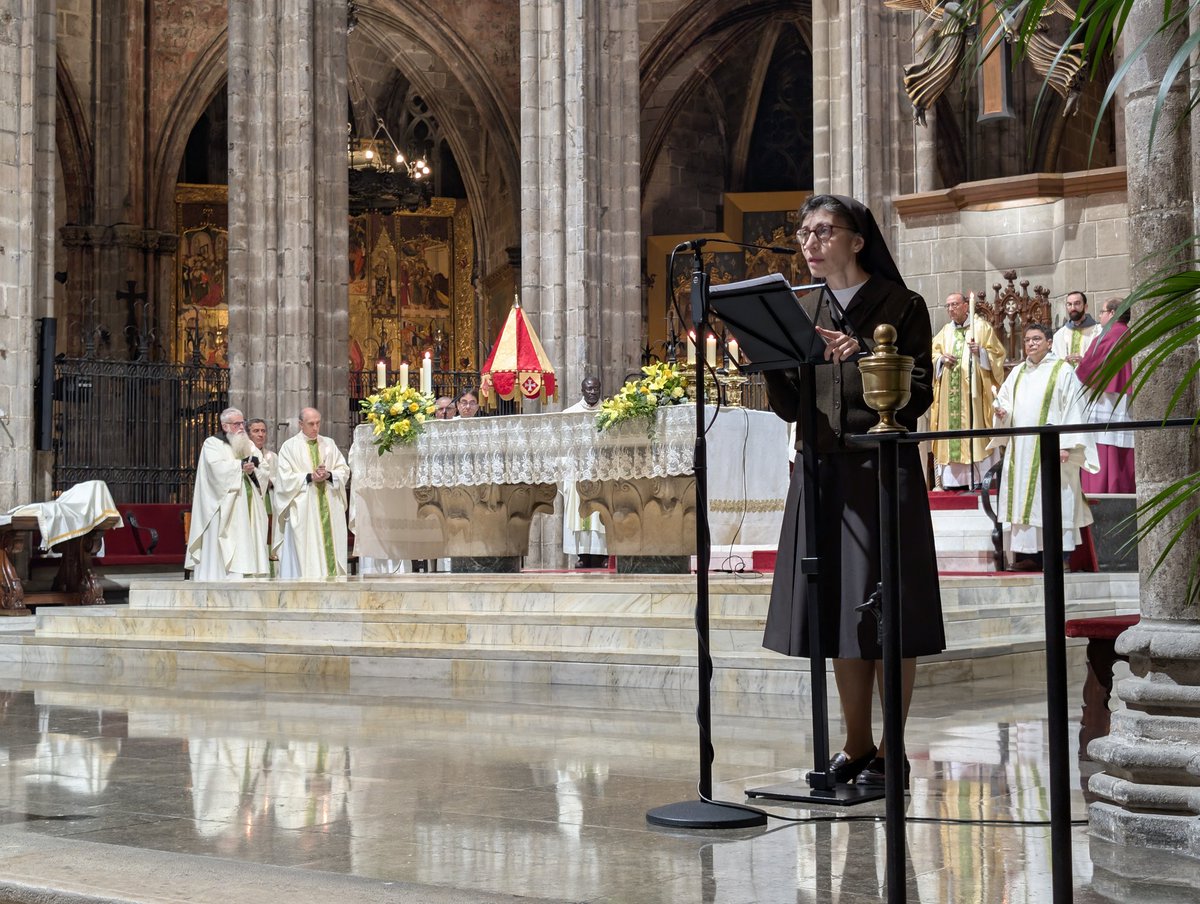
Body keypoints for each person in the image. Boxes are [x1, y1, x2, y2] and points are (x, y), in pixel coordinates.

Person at [763, 194, 943, 789]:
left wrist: (865, 354)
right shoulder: (801, 306)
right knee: (841, 609)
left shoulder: (902, 304)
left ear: (856, 240)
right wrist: (772, 355)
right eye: (803, 233)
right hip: (821, 470)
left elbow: (918, 395)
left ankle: (894, 750)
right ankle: (856, 745)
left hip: (879, 471)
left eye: (822, 231)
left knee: (889, 611)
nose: (809, 244)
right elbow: (792, 405)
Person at [991, 323, 1099, 571]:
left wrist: (1067, 446)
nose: (1031, 343)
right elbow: (1005, 403)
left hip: (1053, 452)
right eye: (1027, 339)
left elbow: (1074, 409)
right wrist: (1001, 412)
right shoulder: (1017, 372)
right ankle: (1033, 557)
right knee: (1027, 504)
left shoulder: (1063, 371)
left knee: (1055, 501)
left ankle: (1059, 558)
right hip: (1022, 451)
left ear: (1049, 342)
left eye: (1037, 339)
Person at [929, 292, 1006, 490]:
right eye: (948, 306)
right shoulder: (945, 331)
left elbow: (998, 355)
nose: (951, 309)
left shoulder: (981, 328)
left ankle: (979, 477)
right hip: (949, 396)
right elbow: (932, 355)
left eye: (955, 304)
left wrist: (980, 352)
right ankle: (951, 482)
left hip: (975, 397)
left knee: (975, 430)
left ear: (966, 306)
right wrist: (941, 359)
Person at [185, 407, 270, 580]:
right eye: (237, 423)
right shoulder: (212, 444)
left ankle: (249, 575)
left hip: (248, 502)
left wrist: (253, 470)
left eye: (242, 423)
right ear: (225, 426)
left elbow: (264, 468)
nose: (241, 427)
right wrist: (239, 466)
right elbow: (215, 469)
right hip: (223, 505)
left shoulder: (248, 445)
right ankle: (222, 576)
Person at [273, 407, 351, 579]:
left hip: (329, 506)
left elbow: (344, 470)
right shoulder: (289, 447)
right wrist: (310, 477)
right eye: (311, 424)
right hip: (304, 509)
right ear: (301, 424)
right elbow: (284, 480)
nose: (315, 428)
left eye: (318, 423)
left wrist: (329, 475)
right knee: (307, 552)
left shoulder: (329, 443)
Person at [1075, 299, 1135, 493]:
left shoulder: (1108, 334)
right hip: (1124, 399)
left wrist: (1079, 365)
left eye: (1102, 312)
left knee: (1104, 446)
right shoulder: (1128, 332)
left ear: (1112, 313)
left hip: (1105, 401)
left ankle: (1102, 492)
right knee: (1120, 449)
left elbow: (1088, 366)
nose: (1099, 316)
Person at [561, 376, 607, 568]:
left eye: (596, 389)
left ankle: (602, 554)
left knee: (600, 515)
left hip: (601, 472)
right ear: (582, 390)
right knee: (579, 515)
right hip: (578, 472)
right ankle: (582, 555)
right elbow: (563, 445)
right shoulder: (570, 414)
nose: (592, 392)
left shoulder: (609, 412)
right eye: (588, 389)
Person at [247, 418, 277, 573]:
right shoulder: (245, 454)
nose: (260, 434)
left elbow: (281, 478)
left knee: (269, 536)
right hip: (253, 500)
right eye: (256, 431)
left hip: (269, 500)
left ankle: (271, 570)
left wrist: (272, 481)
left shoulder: (272, 456)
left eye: (263, 431)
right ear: (248, 434)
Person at [1051, 290, 1101, 368]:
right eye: (1069, 304)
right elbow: (1053, 363)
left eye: (1077, 303)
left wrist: (1085, 362)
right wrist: (1063, 364)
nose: (1073, 308)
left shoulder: (1098, 332)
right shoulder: (1059, 335)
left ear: (1085, 307)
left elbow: (1103, 359)